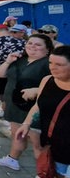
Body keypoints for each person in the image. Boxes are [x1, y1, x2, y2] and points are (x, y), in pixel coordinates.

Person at [0, 34, 54, 171]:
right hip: (14, 106)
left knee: (37, 142)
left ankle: (46, 171)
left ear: (47, 49)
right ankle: (12, 159)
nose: (32, 46)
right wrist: (8, 61)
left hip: (34, 108)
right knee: (17, 134)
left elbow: (59, 84)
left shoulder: (49, 63)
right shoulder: (20, 60)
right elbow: (0, 74)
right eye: (30, 43)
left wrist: (37, 89)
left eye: (38, 45)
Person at [16, 46, 70, 178]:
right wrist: (26, 124)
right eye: (51, 63)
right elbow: (38, 105)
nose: (53, 67)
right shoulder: (47, 81)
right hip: (51, 147)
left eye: (59, 64)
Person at [0, 24, 26, 118]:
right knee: (18, 91)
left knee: (2, 93)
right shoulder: (21, 42)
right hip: (18, 72)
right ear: (8, 30)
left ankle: (3, 108)